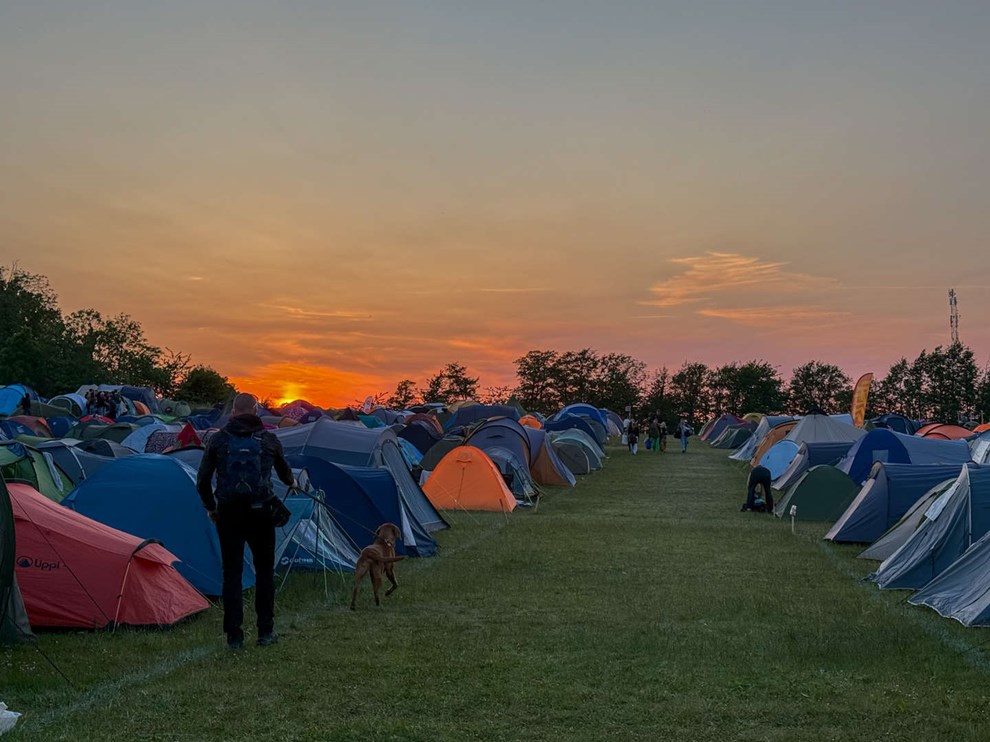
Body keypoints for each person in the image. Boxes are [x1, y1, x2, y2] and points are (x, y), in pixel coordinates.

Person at [197, 392, 296, 649]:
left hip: (228, 514)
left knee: (232, 574)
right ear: (256, 410)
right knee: (264, 572)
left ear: (232, 412)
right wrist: (291, 482)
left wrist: (211, 507)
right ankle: (265, 632)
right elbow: (285, 473)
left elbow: (203, 481)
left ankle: (234, 637)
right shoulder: (269, 440)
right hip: (261, 513)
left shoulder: (218, 440)